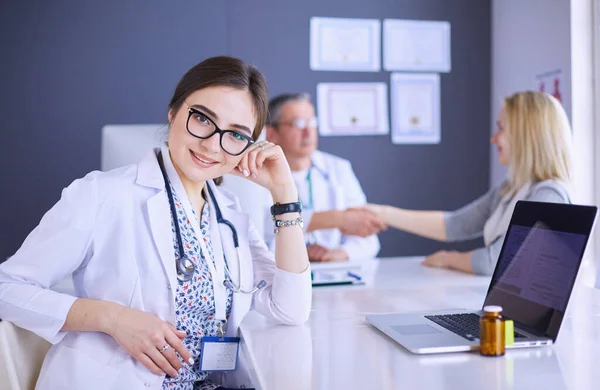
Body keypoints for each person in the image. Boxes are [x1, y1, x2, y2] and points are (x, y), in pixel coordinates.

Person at [0, 56, 311, 390]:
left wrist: (284, 194)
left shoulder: (229, 215)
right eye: (203, 119)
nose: (211, 144)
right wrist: (113, 318)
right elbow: (7, 288)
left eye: (235, 135)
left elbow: (291, 308)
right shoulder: (101, 194)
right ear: (174, 112)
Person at [365, 91, 572, 275]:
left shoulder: (549, 196)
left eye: (500, 129)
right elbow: (454, 225)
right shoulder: (510, 189)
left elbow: (494, 262)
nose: (493, 139)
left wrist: (449, 259)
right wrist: (382, 213)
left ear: (525, 137)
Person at [265, 93, 385, 262]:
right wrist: (338, 219)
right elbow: (262, 224)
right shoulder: (257, 172)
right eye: (298, 124)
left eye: (312, 122)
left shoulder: (338, 169)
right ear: (271, 133)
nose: (308, 132)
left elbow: (367, 234)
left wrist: (337, 254)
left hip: (333, 272)